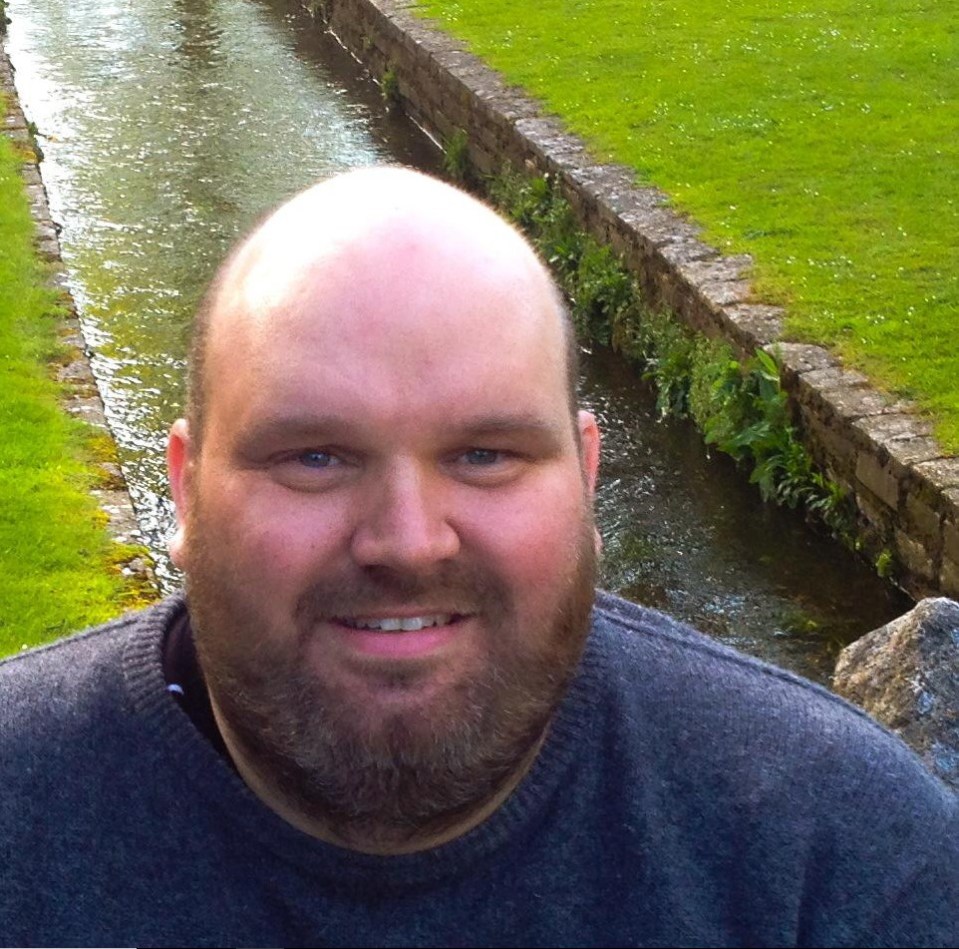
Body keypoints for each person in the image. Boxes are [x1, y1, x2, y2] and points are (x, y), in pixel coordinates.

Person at [1, 166, 957, 948]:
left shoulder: (842, 862)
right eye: (314, 456)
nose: (408, 541)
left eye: (484, 454)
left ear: (584, 478)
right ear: (184, 488)